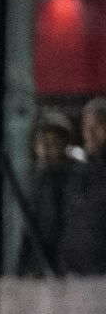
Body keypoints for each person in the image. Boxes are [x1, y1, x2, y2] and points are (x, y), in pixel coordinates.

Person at [16, 113, 73, 278]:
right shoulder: (36, 181)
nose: (45, 150)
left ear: (64, 146)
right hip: (38, 269)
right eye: (41, 143)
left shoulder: (73, 181)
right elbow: (29, 229)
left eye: (52, 143)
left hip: (64, 271)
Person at [57, 97, 106, 277]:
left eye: (98, 125)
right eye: (86, 126)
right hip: (72, 274)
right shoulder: (73, 171)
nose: (90, 133)